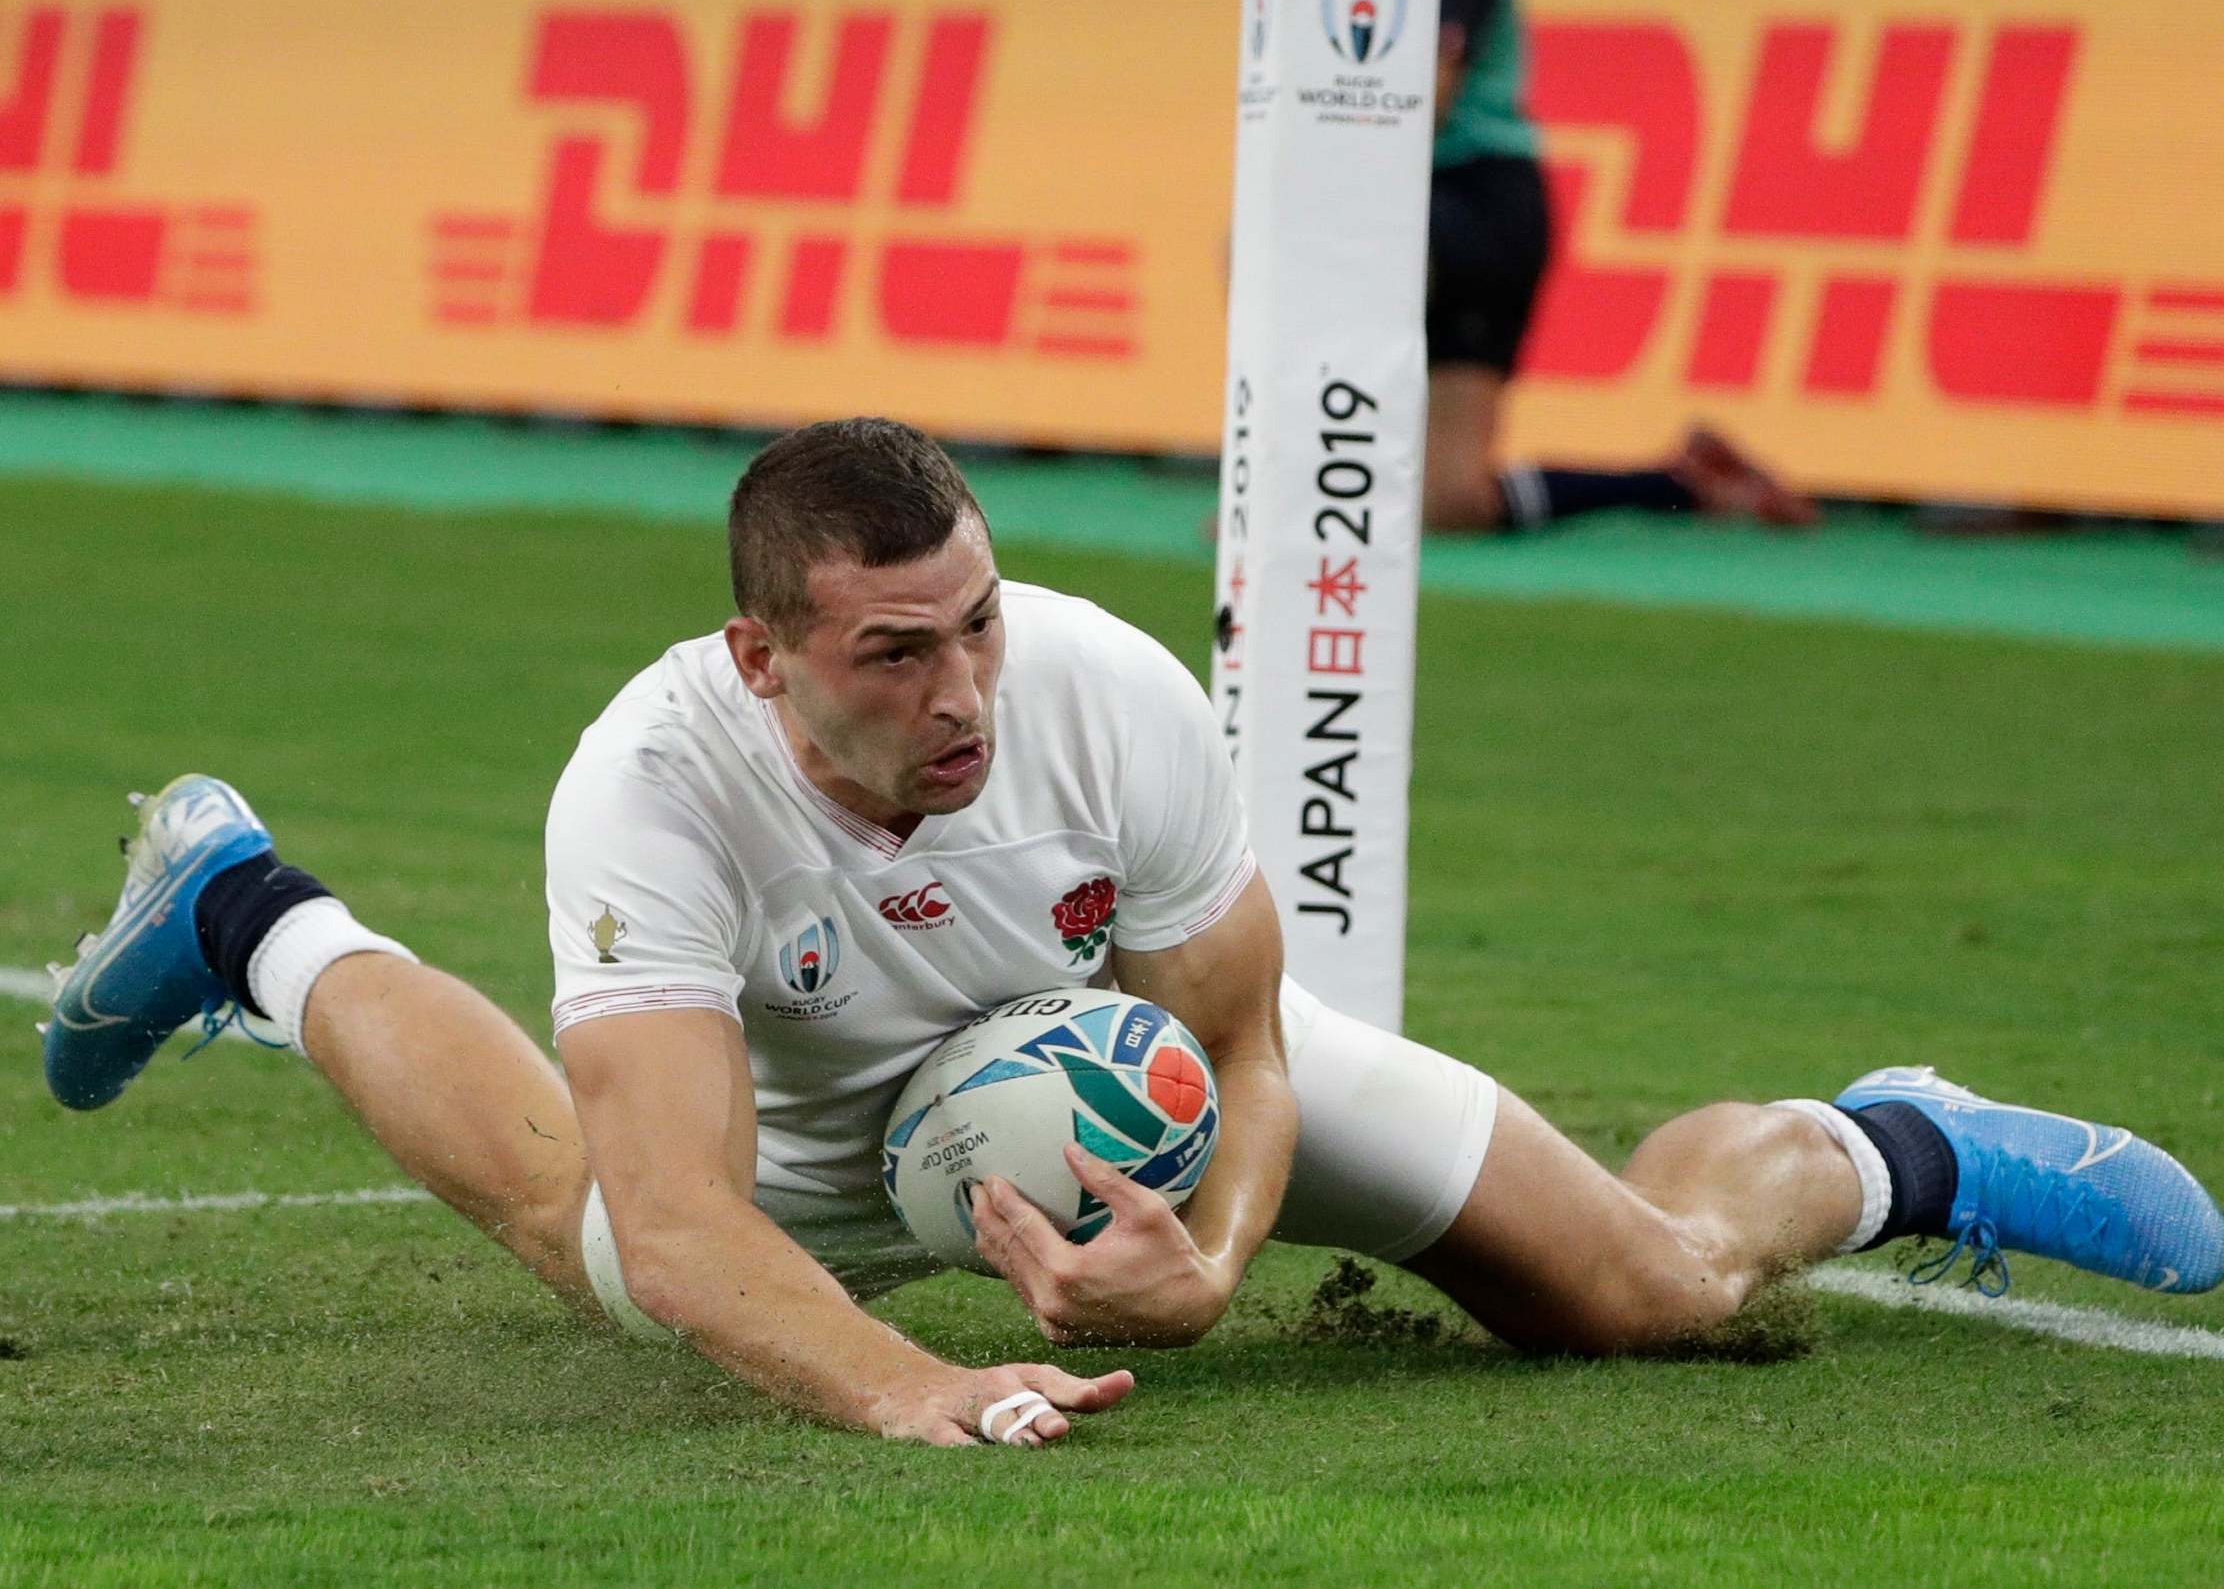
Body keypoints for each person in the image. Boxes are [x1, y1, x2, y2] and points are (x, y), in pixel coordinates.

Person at [41, 418, 2221, 1448]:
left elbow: (1251, 1042)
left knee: (1640, 1300)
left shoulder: (1107, 700)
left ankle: (1894, 1145)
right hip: (804, 1162)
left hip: (1122, 1081)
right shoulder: (648, 784)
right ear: (762, 654)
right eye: (894, 653)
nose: (962, 690)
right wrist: (919, 1393)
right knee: (579, 1213)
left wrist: (1206, 1245)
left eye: (975, 621)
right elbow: (692, 1226)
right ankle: (246, 909)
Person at [1426, 0, 1819, 533]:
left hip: (1473, 202)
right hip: (1413, 205)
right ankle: (1678, 483)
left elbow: (1421, 105)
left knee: (1298, 260)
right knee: (1449, 504)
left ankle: (1290, 489)